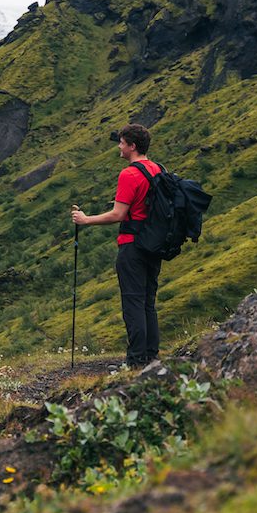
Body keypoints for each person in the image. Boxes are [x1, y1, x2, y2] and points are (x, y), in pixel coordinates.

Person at [71, 124, 162, 369]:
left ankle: (135, 362)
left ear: (132, 146)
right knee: (147, 301)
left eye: (122, 143)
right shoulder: (157, 169)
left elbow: (118, 214)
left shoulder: (129, 174)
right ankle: (151, 355)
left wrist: (86, 220)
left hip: (132, 245)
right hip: (154, 244)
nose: (119, 147)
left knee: (132, 302)